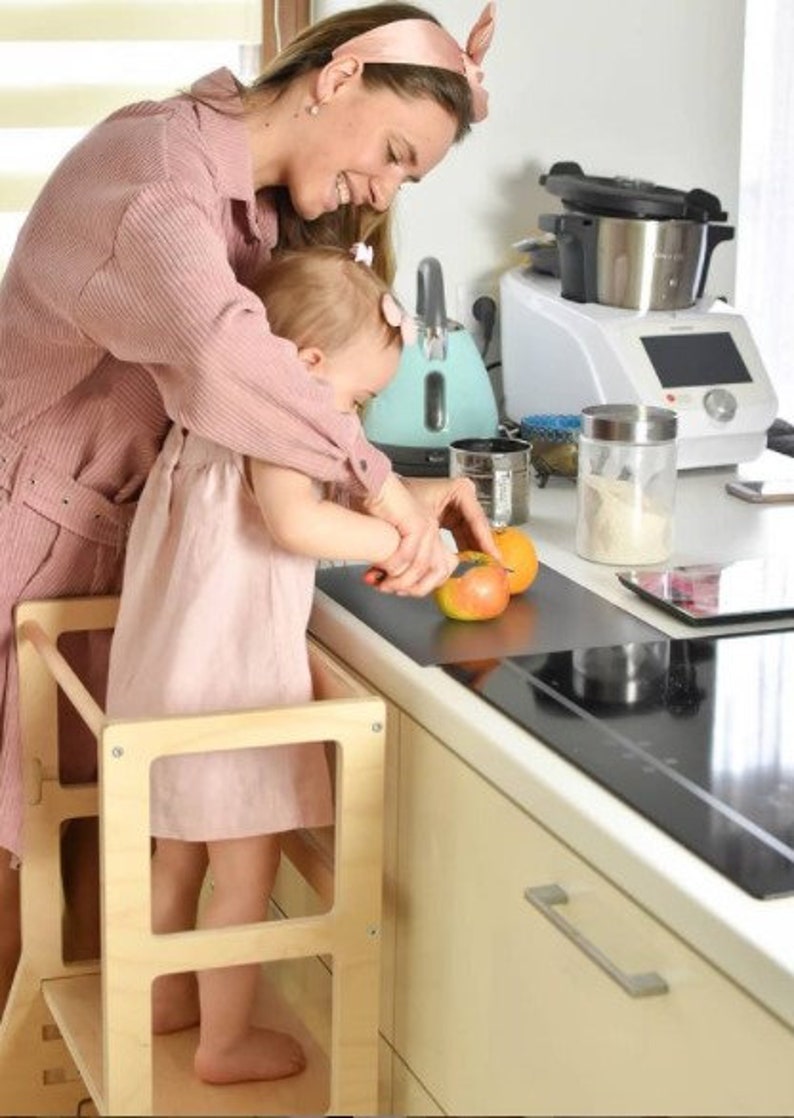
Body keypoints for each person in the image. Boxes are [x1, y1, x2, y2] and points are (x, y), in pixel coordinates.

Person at [0, 1, 498, 1017]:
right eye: (396, 153)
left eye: (411, 175)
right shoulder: (151, 178)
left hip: (115, 551)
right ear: (339, 74)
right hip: (23, 540)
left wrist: (392, 481)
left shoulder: (260, 210)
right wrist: (374, 486)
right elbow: (228, 359)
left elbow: (292, 395)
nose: (385, 188)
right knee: (17, 892)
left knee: (82, 901)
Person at [105, 242, 436, 1085]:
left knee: (177, 858)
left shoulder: (204, 416)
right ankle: (224, 1045)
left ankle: (166, 1000)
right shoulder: (282, 429)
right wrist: (397, 539)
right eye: (359, 397)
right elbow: (296, 526)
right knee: (244, 880)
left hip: (164, 686)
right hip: (232, 695)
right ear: (308, 367)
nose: (353, 420)